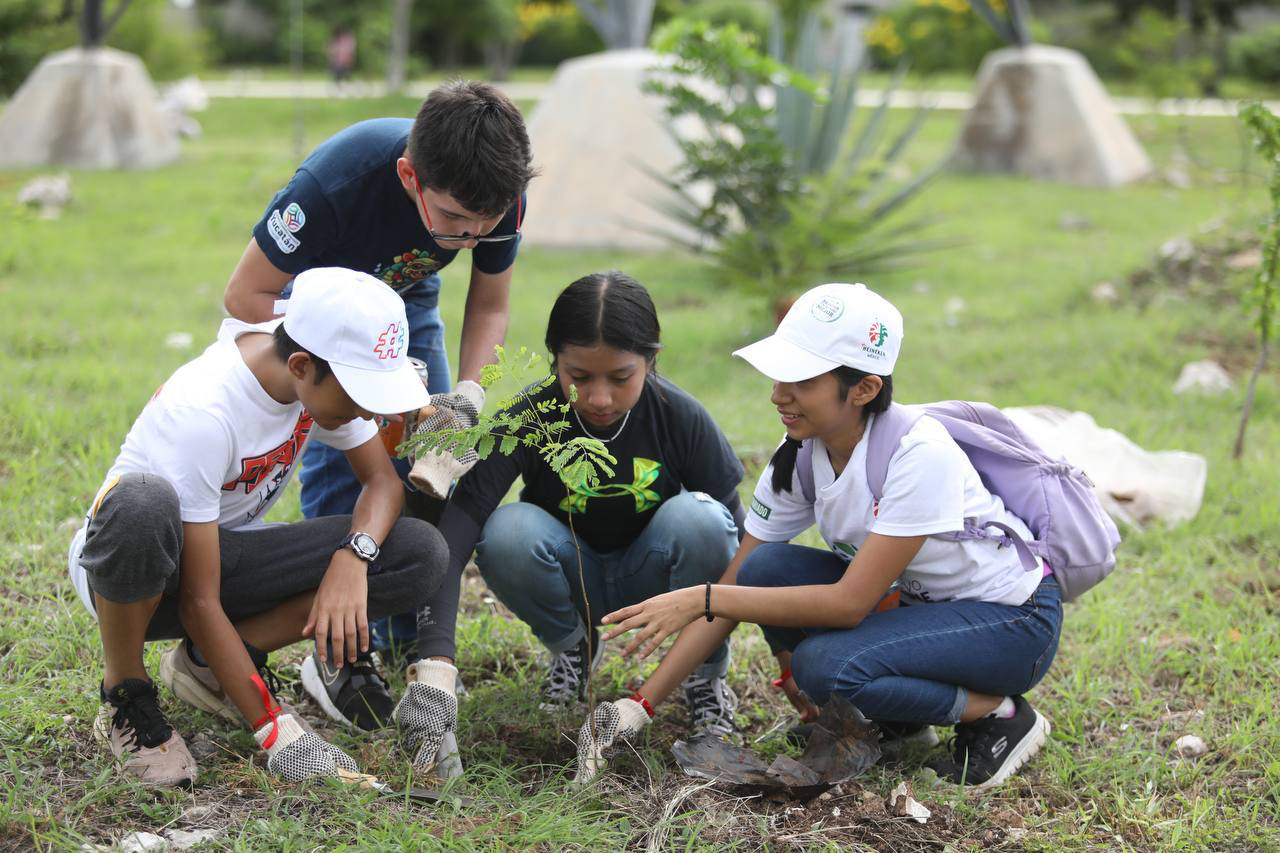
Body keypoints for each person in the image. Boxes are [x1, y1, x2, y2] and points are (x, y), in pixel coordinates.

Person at [575, 282, 1063, 790]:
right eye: (779, 375)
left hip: (1011, 624)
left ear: (865, 389)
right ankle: (901, 720)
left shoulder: (919, 455)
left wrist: (702, 597)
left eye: (802, 380)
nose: (778, 394)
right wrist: (640, 704)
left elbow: (848, 605)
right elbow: (741, 581)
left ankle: (1000, 716)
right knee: (765, 571)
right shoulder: (804, 454)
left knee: (826, 667)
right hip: (924, 612)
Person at [221, 80, 533, 725]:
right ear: (408, 176)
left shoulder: (496, 192)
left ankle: (395, 636)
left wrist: (465, 395)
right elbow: (245, 295)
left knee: (428, 464)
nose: (470, 236)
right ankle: (338, 649)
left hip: (405, 305)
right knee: (353, 465)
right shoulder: (338, 182)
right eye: (451, 222)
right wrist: (360, 370)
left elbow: (490, 303)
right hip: (314, 318)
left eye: (486, 225)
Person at [66, 268, 449, 787]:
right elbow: (200, 601)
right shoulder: (204, 411)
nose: (367, 410)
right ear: (300, 365)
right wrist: (278, 730)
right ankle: (126, 693)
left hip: (226, 557)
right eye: (360, 393)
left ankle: (211, 665)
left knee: (417, 550)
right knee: (142, 502)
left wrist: (352, 558)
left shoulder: (318, 359)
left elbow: (383, 485)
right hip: (139, 575)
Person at [396, 271, 746, 776]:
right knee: (507, 528)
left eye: (621, 377)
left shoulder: (680, 419)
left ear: (651, 361)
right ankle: (574, 649)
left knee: (704, 521)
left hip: (657, 587)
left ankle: (706, 678)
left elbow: (749, 549)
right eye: (578, 376)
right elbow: (460, 527)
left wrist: (784, 655)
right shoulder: (531, 418)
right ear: (553, 360)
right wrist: (435, 668)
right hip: (571, 576)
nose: (598, 398)